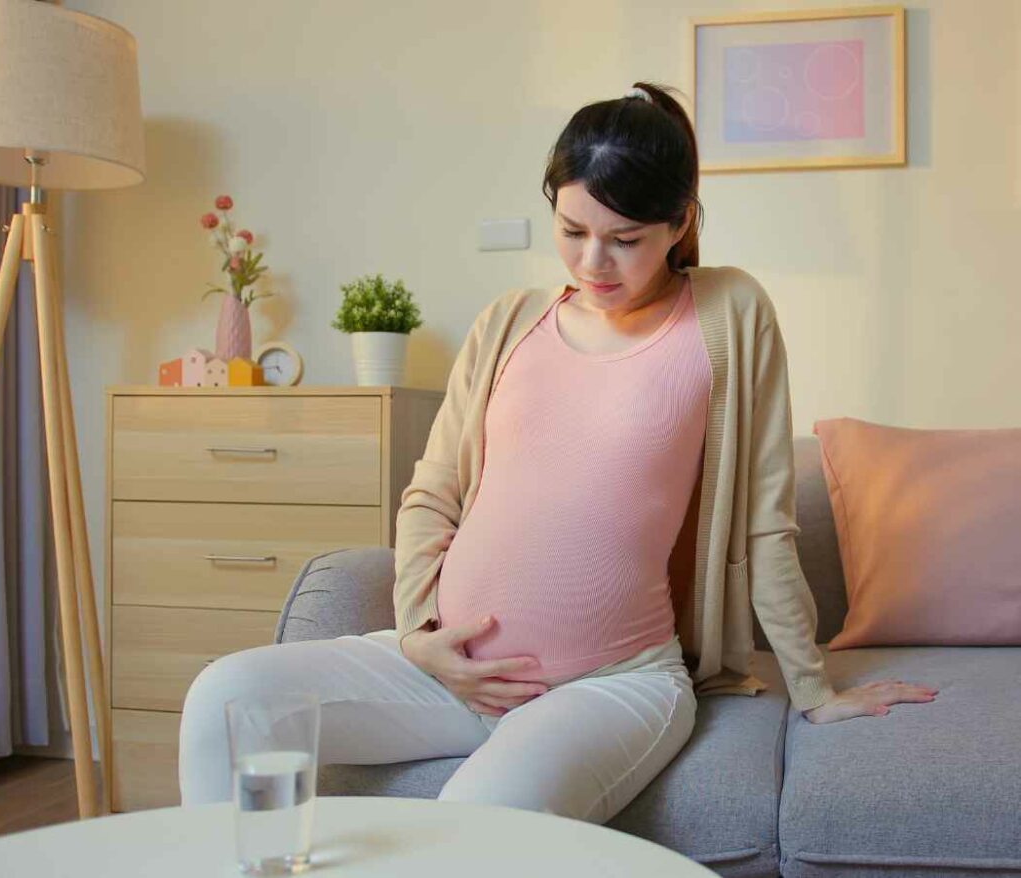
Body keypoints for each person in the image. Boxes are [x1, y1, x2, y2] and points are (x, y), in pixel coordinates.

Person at [178, 81, 939, 822]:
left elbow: (767, 521)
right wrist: (417, 637)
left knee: (478, 819)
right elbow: (432, 493)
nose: (593, 262)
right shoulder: (509, 322)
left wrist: (815, 688)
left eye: (624, 240)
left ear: (679, 222)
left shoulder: (729, 313)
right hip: (449, 674)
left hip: (613, 686)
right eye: (573, 231)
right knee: (224, 700)